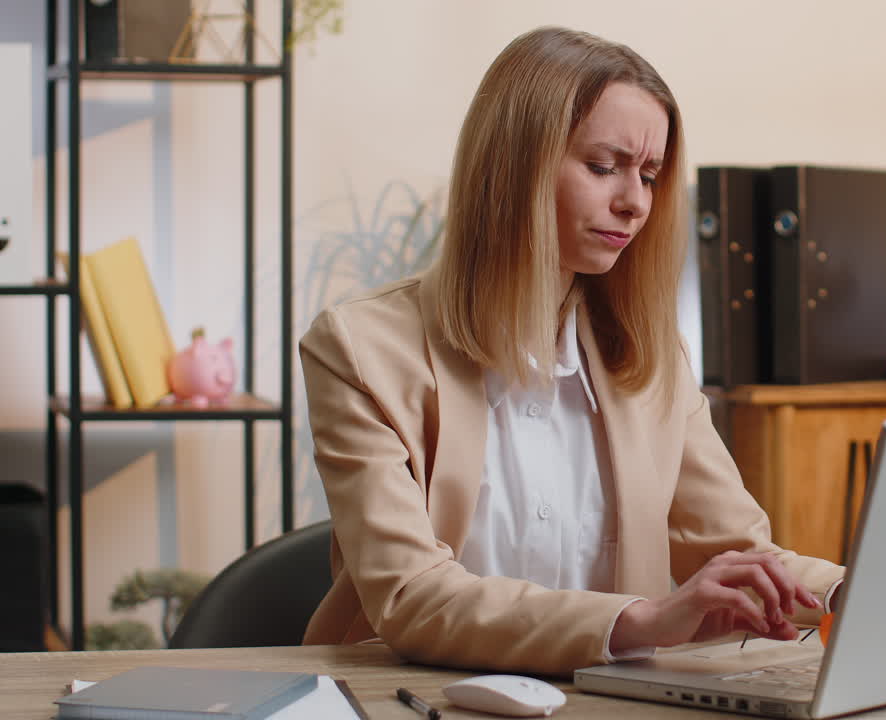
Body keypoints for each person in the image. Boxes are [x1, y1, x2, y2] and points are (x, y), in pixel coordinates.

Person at [299, 26, 844, 676]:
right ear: (514, 163)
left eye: (649, 174)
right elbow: (411, 595)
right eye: (603, 167)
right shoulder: (360, 348)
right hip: (408, 697)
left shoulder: (653, 356)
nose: (635, 202)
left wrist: (856, 589)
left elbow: (733, 553)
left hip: (599, 704)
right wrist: (639, 622)